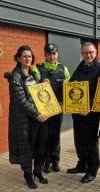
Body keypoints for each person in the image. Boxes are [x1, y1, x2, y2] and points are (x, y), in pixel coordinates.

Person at [4, 45, 49, 189]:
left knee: (40, 146)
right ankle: (28, 175)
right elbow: (22, 101)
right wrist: (37, 114)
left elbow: (37, 94)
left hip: (40, 118)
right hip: (27, 119)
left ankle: (38, 171)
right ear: (18, 58)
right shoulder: (15, 77)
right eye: (24, 56)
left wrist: (43, 84)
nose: (27, 59)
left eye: (29, 56)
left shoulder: (33, 74)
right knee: (28, 148)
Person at [67, 41, 100, 183]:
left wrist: (90, 108)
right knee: (79, 139)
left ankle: (92, 169)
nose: (88, 55)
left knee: (90, 141)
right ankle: (82, 164)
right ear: (82, 54)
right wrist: (69, 85)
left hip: (91, 113)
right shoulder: (81, 65)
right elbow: (73, 82)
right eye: (85, 53)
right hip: (77, 111)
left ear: (96, 53)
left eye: (91, 52)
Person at [33, 43, 71, 173]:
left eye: (54, 53)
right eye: (49, 54)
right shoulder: (38, 69)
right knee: (45, 136)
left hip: (58, 109)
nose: (52, 56)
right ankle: (46, 162)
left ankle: (55, 161)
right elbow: (32, 85)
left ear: (57, 54)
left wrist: (68, 85)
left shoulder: (64, 69)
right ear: (45, 55)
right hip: (45, 110)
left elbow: (71, 88)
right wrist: (40, 82)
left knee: (55, 136)